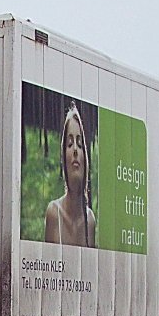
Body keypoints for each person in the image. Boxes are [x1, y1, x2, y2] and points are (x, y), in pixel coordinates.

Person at [44, 102, 96, 247]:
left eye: (79, 144)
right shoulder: (53, 212)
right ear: (63, 157)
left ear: (85, 157)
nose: (75, 150)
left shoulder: (90, 220)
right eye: (70, 143)